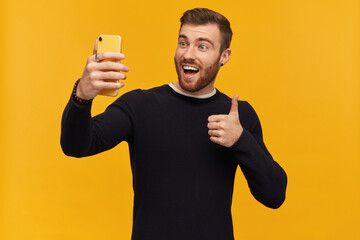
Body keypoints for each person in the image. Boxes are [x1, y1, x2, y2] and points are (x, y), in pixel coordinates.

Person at [61, 8, 287, 240]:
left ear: (224, 56)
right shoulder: (140, 105)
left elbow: (274, 195)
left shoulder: (237, 116)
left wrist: (241, 140)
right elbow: (77, 146)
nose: (189, 54)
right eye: (183, 43)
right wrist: (82, 97)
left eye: (202, 46)